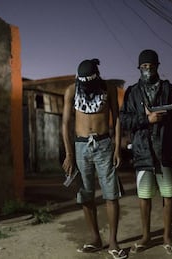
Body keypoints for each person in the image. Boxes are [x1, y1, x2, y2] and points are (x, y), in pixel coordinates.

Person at [120, 49, 172, 255]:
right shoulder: (132, 92)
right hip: (142, 153)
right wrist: (145, 119)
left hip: (165, 150)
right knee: (144, 196)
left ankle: (167, 237)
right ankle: (146, 237)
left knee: (168, 194)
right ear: (139, 68)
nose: (148, 70)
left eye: (151, 66)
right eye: (144, 67)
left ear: (158, 66)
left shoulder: (168, 88)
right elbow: (124, 120)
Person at [61, 59, 127, 259]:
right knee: (86, 194)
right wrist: (69, 153)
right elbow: (65, 124)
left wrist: (117, 148)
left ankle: (113, 242)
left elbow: (116, 119)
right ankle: (95, 239)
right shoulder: (72, 90)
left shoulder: (108, 88)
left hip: (104, 144)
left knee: (110, 194)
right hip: (81, 147)